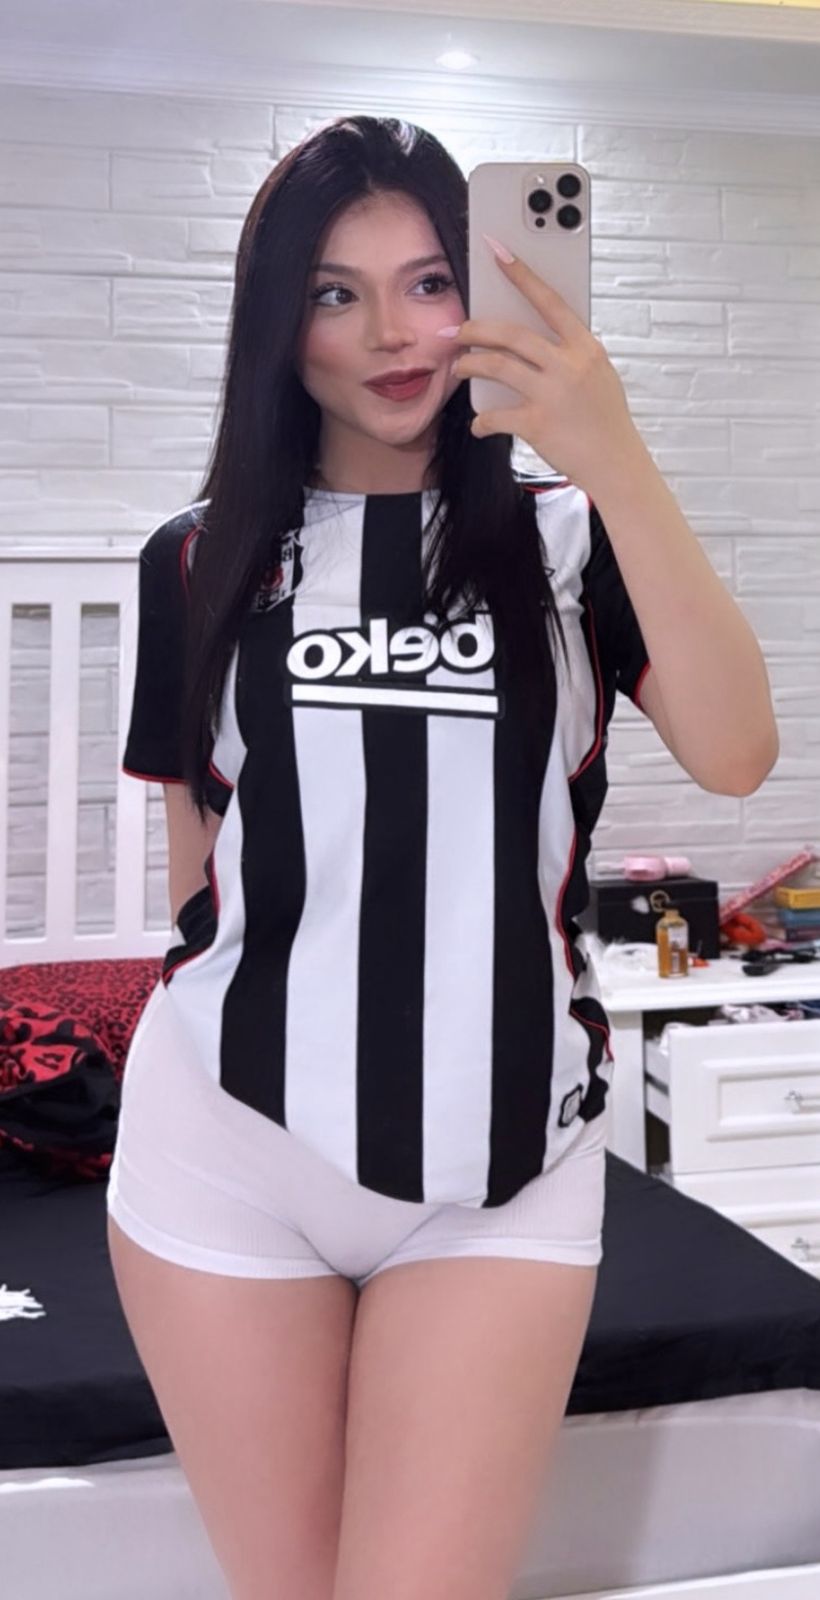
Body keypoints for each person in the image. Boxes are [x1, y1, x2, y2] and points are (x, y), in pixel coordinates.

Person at [106, 115, 651, 1600]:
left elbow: (740, 750)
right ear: (278, 325)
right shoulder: (197, 556)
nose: (395, 334)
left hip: (509, 1159)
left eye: (428, 282)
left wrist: (611, 452)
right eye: (335, 293)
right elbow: (200, 851)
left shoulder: (571, 537)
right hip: (230, 1146)